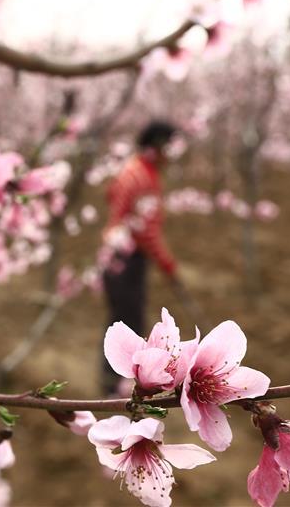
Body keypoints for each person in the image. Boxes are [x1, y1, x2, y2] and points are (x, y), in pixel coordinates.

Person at [100, 120, 181, 395]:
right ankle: (116, 386)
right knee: (129, 323)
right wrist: (167, 263)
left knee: (119, 318)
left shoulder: (132, 169)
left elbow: (111, 194)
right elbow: (146, 231)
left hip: (115, 253)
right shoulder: (144, 178)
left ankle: (112, 382)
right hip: (128, 258)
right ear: (157, 147)